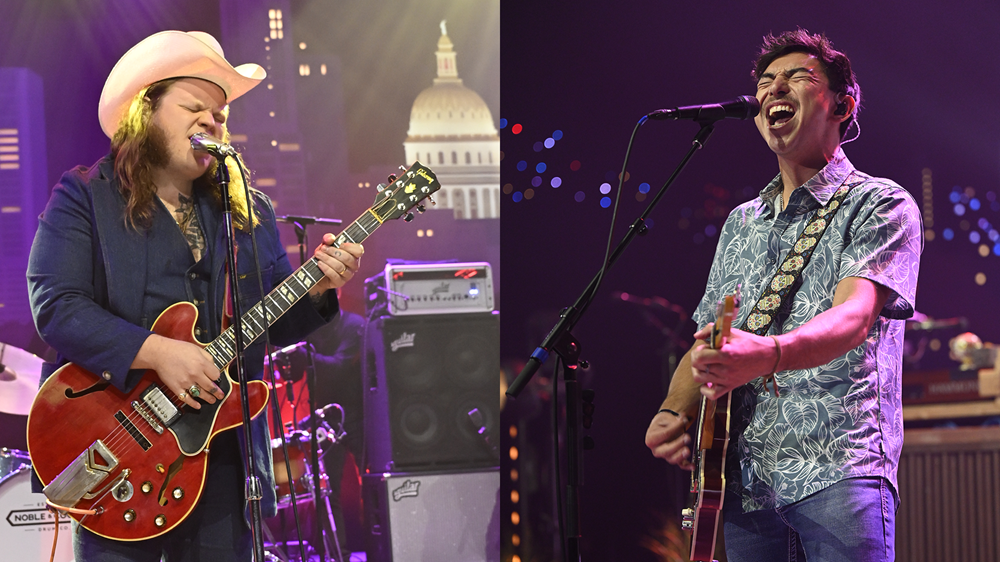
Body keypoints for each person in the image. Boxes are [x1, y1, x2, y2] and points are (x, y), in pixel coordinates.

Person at [26, 30, 363, 561]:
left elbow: (268, 327)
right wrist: (162, 353)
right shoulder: (84, 196)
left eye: (222, 115)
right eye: (194, 107)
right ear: (146, 112)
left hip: (223, 463)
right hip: (115, 447)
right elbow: (57, 306)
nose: (213, 121)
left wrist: (319, 288)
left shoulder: (248, 212)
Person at [644, 29, 921, 561]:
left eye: (797, 77)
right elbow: (710, 339)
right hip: (745, 481)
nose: (775, 88)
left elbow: (855, 317)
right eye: (766, 82)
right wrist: (672, 412)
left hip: (838, 466)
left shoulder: (879, 203)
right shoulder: (742, 222)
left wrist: (767, 354)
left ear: (843, 104)